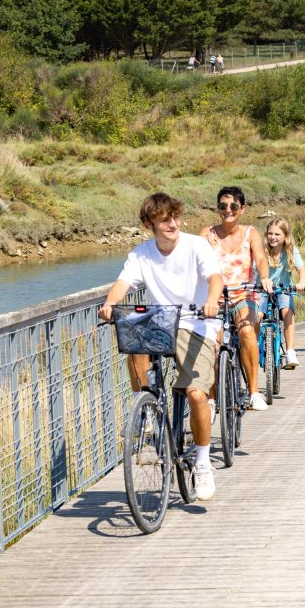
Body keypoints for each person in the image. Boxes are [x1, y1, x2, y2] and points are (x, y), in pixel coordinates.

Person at [99, 192, 223, 500]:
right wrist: (111, 303)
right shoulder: (141, 254)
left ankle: (203, 462)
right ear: (149, 224)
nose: (172, 224)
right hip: (161, 321)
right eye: (164, 220)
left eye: (175, 218)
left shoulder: (196, 245)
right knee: (132, 333)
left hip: (196, 323)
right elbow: (123, 282)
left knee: (195, 394)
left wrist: (210, 300)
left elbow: (215, 277)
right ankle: (147, 405)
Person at [200, 186, 273, 411]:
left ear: (242, 208)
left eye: (233, 206)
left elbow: (260, 258)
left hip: (243, 293)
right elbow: (194, 260)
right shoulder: (207, 234)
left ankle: (253, 392)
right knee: (212, 342)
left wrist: (264, 277)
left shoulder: (251, 233)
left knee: (247, 331)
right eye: (223, 206)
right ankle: (211, 399)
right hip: (215, 297)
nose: (227, 210)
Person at [260, 217, 305, 369]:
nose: (273, 237)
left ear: (285, 236)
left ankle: (290, 351)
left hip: (283, 289)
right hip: (262, 289)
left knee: (287, 312)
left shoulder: (291, 250)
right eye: (270, 233)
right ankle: (253, 346)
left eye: (277, 234)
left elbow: (302, 269)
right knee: (258, 315)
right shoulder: (261, 250)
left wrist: (301, 282)